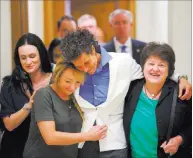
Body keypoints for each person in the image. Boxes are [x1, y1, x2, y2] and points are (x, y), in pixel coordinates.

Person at [60, 30, 191, 158]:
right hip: (83, 142)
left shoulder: (123, 62)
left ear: (93, 50)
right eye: (79, 66)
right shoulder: (69, 71)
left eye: (87, 62)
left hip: (115, 144)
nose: (85, 69)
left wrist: (180, 77)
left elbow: (151, 71)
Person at [23, 57, 107, 158]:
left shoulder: (75, 97)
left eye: (77, 82)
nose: (72, 87)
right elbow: (50, 137)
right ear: (57, 76)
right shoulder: (43, 95)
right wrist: (88, 136)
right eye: (68, 81)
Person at [123, 42, 192, 158]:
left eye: (161, 65)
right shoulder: (130, 90)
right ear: (143, 66)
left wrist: (180, 139)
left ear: (169, 70)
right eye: (151, 63)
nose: (155, 69)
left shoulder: (181, 93)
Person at [0, 33, 52, 158]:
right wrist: (29, 106)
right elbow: (9, 125)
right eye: (23, 58)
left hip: (48, 150)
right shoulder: (9, 84)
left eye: (32, 56)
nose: (28, 62)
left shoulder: (56, 80)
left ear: (41, 54)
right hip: (16, 150)